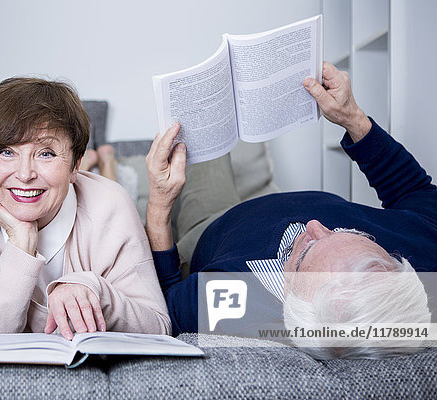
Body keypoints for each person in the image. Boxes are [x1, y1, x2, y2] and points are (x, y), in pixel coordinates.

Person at [145, 62, 436, 358]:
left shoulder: (231, 306)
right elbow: (414, 191)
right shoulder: (426, 256)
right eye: (353, 233)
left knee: (196, 135)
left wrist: (159, 205)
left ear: (291, 304)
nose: (312, 225)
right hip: (277, 202)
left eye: (304, 255)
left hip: (216, 225)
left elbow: (163, 307)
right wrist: (352, 117)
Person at [0, 77, 170, 347]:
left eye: (46, 153)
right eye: (6, 152)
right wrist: (20, 245)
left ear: (75, 166)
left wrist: (92, 289)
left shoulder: (111, 205)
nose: (25, 174)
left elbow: (158, 327)